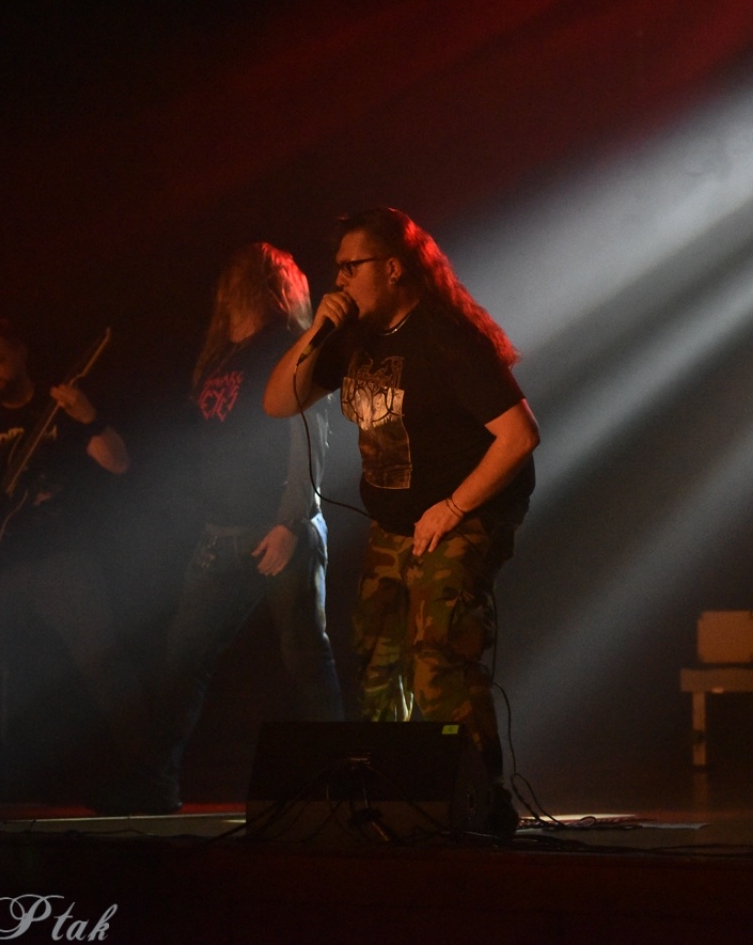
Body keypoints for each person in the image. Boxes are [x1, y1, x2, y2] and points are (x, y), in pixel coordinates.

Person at [264, 208, 538, 787]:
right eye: (335, 268)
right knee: (378, 662)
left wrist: (455, 507)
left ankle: (478, 806)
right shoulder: (352, 338)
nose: (338, 279)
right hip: (393, 525)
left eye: (350, 267)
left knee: (438, 657)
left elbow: (519, 436)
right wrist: (316, 332)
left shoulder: (446, 338)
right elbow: (278, 403)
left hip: (460, 515)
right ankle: (396, 800)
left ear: (392, 268)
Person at [0, 320, 163, 810]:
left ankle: (147, 773)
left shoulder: (57, 407)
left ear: (19, 353)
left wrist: (88, 418)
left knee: (101, 662)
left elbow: (119, 463)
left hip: (62, 558)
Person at [152, 244, 344, 809]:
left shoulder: (286, 348)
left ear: (261, 287)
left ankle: (339, 787)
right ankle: (153, 785)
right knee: (182, 660)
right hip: (222, 535)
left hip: (279, 527)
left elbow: (309, 437)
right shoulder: (223, 357)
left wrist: (291, 520)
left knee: (305, 657)